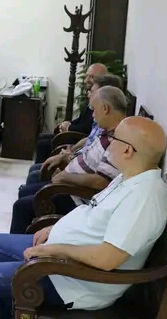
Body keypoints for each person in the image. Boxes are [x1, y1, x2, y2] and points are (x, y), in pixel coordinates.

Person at [0, 116, 167, 317]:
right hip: (64, 258)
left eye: (113, 138)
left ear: (127, 150)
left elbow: (107, 259)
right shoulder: (130, 176)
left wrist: (52, 250)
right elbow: (93, 212)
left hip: (76, 280)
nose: (109, 144)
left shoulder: (144, 197)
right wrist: (54, 228)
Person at [9, 86, 127, 234]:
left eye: (94, 109)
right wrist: (66, 160)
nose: (93, 115)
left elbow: (101, 182)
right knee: (25, 192)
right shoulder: (106, 131)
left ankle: (21, 246)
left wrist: (66, 177)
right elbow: (87, 158)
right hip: (70, 184)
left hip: (77, 197)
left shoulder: (117, 141)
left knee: (21, 206)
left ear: (105, 109)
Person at [25, 74, 123, 185]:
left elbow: (101, 181)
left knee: (34, 176)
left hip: (74, 186)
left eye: (93, 91)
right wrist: (69, 154)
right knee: (36, 169)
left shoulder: (115, 139)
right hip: (73, 167)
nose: (89, 93)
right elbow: (88, 143)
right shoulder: (105, 130)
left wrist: (65, 174)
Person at [34, 63, 109, 164]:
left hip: (79, 139)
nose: (87, 80)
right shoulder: (91, 94)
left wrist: (69, 128)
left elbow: (87, 128)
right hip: (78, 140)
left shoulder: (101, 100)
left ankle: (43, 169)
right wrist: (68, 124)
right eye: (87, 76)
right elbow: (82, 119)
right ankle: (42, 168)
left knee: (43, 144)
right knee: (42, 138)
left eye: (91, 77)